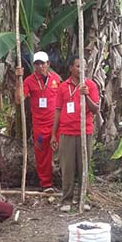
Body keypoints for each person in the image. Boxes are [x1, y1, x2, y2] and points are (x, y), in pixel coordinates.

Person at [50, 55, 99, 212]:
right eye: (78, 66)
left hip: (85, 131)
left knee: (83, 166)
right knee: (68, 167)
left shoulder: (90, 85)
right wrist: (53, 134)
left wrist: (86, 96)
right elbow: (58, 111)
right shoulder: (63, 87)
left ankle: (83, 198)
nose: (81, 69)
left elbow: (96, 109)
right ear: (71, 68)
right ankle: (67, 199)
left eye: (83, 66)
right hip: (66, 132)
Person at [15, 51, 61, 193]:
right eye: (37, 64)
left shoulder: (56, 79)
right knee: (41, 154)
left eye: (42, 63)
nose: (40, 66)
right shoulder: (29, 80)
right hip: (40, 127)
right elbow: (19, 99)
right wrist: (18, 79)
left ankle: (65, 180)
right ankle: (46, 184)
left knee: (64, 150)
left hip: (56, 124)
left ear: (48, 64)